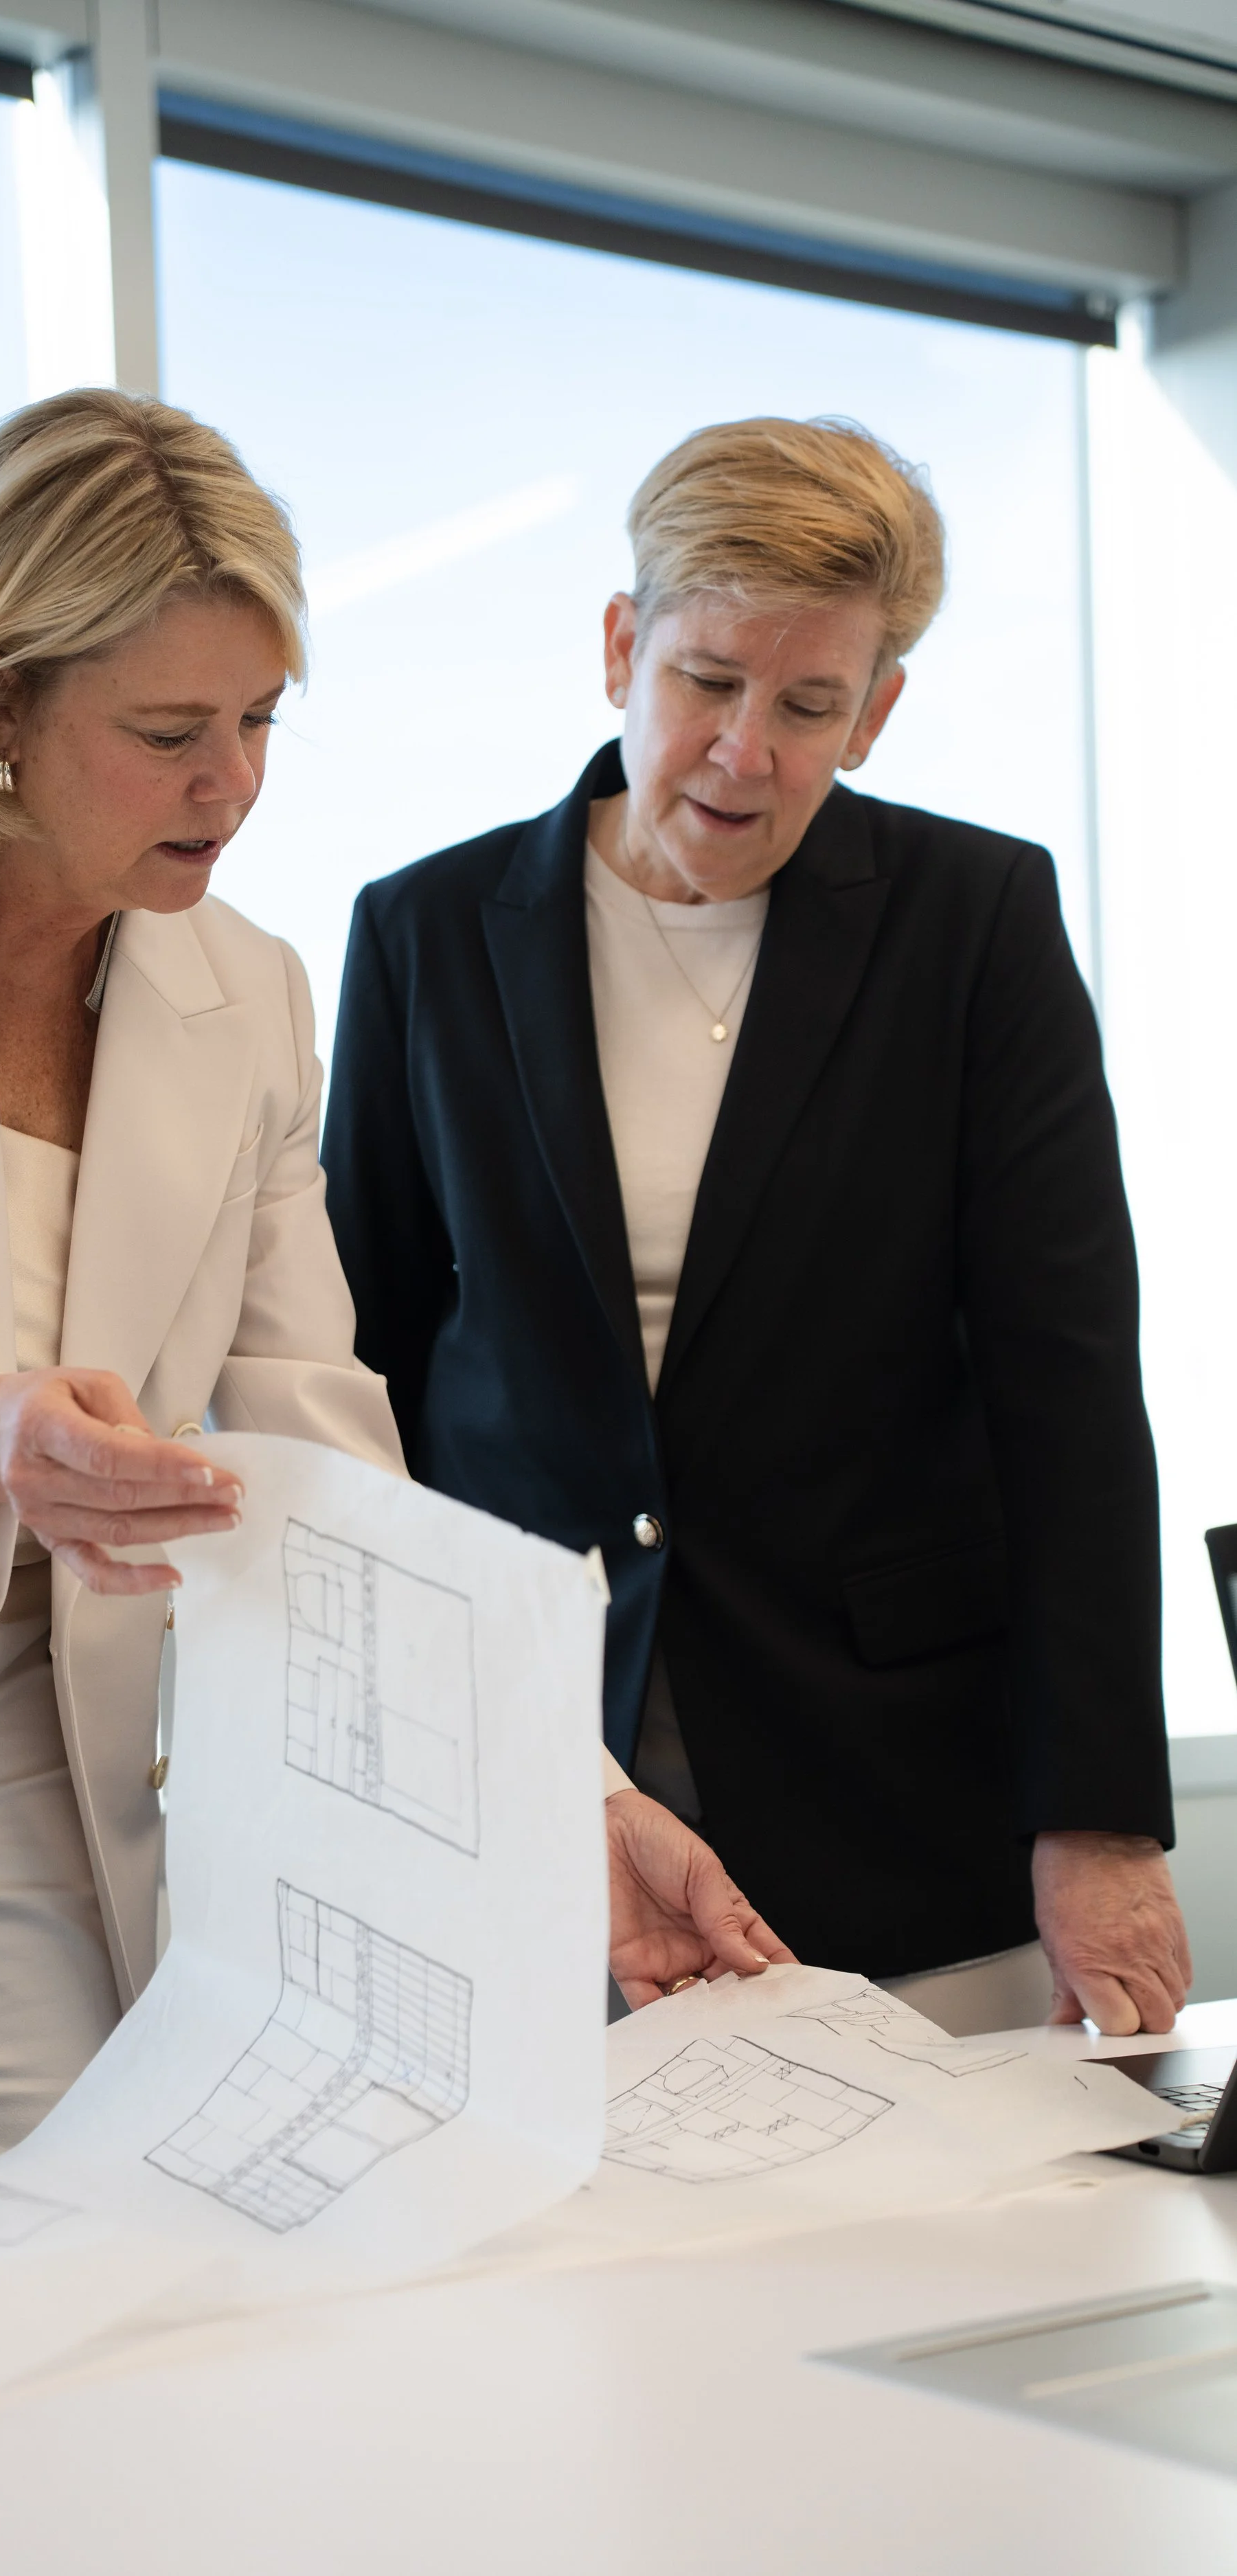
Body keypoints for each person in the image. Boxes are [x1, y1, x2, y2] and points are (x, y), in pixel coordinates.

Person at [0, 391, 783, 2237]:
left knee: (48, 2326)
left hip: (6, 1763)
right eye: (170, 732)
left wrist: (556, 1794)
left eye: (262, 720)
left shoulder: (249, 994)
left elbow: (319, 1444)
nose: (234, 785)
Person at [324, 414, 1191, 2042]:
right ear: (616, 650)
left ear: (876, 709)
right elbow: (348, 1373)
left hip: (888, 1776)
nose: (745, 754)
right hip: (525, 1761)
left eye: (807, 706)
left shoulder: (974, 926)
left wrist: (1099, 1821)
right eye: (707, 683)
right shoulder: (423, 932)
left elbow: (1065, 1391)